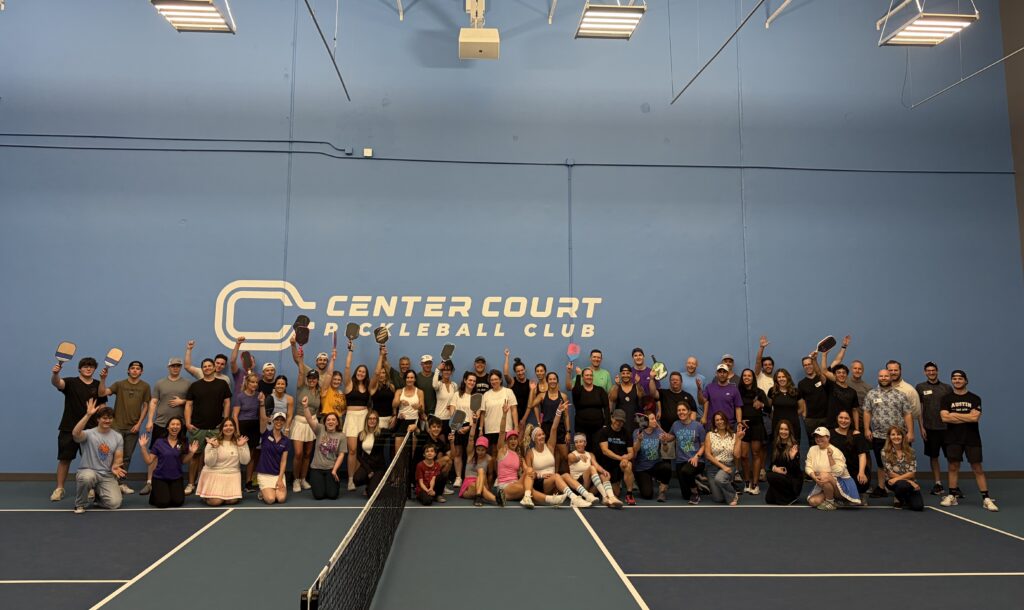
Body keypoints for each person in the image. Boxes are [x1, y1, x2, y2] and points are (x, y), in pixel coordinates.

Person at [50, 356, 108, 502]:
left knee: (92, 461)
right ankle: (59, 489)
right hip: (68, 427)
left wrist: (103, 423)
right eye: (85, 366)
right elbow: (57, 383)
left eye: (91, 366)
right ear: (79, 368)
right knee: (64, 459)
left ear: (94, 369)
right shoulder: (70, 382)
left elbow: (102, 406)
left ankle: (90, 488)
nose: (88, 368)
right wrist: (56, 374)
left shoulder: (97, 385)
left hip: (91, 430)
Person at [939, 370, 998, 512]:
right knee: (953, 466)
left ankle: (986, 498)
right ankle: (952, 496)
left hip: (972, 438)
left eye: (960, 378)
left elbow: (974, 418)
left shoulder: (974, 398)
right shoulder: (946, 399)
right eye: (954, 378)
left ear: (966, 381)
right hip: (953, 438)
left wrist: (954, 415)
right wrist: (965, 416)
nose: (957, 380)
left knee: (977, 468)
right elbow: (945, 418)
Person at [96, 360, 151, 495]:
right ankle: (106, 483)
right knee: (110, 456)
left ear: (141, 372)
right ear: (128, 370)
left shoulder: (145, 386)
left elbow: (146, 406)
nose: (135, 370)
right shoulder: (119, 384)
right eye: (132, 368)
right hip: (116, 427)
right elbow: (102, 393)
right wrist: (103, 379)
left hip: (133, 428)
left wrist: (139, 424)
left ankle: (120, 483)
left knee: (126, 457)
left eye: (138, 368)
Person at [523, 403, 587, 507]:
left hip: (554, 484)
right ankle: (574, 499)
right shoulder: (530, 453)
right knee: (557, 476)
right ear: (534, 438)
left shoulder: (550, 446)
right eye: (539, 435)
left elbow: (554, 428)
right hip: (540, 484)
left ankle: (586, 495)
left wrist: (559, 412)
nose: (542, 436)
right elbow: (529, 474)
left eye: (543, 434)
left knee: (565, 475)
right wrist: (540, 475)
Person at [183, 358, 232, 496]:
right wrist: (187, 422)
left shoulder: (222, 384)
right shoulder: (195, 386)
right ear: (202, 369)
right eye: (205, 366)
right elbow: (188, 405)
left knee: (215, 457)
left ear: (214, 368)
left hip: (216, 428)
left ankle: (209, 483)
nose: (207, 368)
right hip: (197, 427)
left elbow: (227, 402)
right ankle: (191, 484)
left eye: (210, 366)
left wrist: (225, 421)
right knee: (195, 456)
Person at [143, 357, 190, 496]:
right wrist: (150, 421)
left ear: (180, 367)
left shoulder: (187, 384)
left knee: (178, 453)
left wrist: (183, 401)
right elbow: (153, 402)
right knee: (155, 454)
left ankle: (175, 480)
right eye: (173, 366)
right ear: (168, 367)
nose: (175, 368)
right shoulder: (160, 383)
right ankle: (150, 483)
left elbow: (193, 401)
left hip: (179, 426)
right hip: (161, 424)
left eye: (178, 366)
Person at [862, 369, 913, 498]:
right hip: (879, 435)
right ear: (878, 377)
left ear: (891, 377)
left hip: (898, 437)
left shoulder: (901, 395)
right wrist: (867, 429)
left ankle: (899, 491)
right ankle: (881, 488)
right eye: (881, 376)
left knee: (899, 463)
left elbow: (907, 414)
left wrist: (911, 431)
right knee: (881, 463)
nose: (884, 378)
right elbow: (867, 412)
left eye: (886, 376)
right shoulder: (871, 394)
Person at [71, 399, 125, 513]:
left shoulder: (117, 437)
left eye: (110, 418)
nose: (107, 420)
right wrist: (88, 414)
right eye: (104, 418)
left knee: (115, 504)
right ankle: (80, 504)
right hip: (89, 471)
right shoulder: (89, 434)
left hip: (106, 475)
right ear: (98, 419)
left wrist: (115, 466)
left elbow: (119, 456)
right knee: (87, 478)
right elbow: (75, 434)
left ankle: (98, 496)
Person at [138, 417, 198, 508]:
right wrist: (143, 447)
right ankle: (156, 494)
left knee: (178, 502)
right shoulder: (159, 442)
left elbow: (183, 461)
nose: (175, 426)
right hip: (160, 478)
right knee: (163, 503)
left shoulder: (183, 442)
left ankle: (168, 493)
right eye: (172, 424)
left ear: (181, 427)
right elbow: (149, 460)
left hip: (176, 478)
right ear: (168, 427)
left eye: (178, 424)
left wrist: (192, 453)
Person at [917, 362, 953, 496]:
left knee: (951, 458)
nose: (931, 372)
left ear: (937, 371)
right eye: (928, 371)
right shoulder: (920, 387)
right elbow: (919, 410)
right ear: (925, 372)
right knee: (934, 457)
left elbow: (951, 407)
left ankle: (953, 485)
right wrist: (921, 428)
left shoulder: (947, 388)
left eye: (933, 370)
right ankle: (938, 484)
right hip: (930, 429)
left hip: (947, 429)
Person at [196, 418, 250, 506]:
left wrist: (241, 447)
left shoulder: (241, 441)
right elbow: (209, 463)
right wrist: (214, 448)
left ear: (235, 428)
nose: (228, 428)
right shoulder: (213, 441)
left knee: (232, 501)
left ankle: (220, 495)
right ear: (221, 429)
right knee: (216, 502)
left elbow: (245, 461)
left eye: (231, 425)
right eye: (225, 426)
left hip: (232, 475)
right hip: (214, 473)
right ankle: (206, 495)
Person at [805, 427, 861, 510]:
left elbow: (839, 472)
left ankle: (830, 502)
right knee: (813, 501)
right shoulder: (812, 449)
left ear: (828, 437)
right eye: (816, 437)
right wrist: (814, 477)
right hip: (824, 483)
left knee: (824, 475)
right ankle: (834, 500)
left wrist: (830, 456)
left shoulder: (836, 451)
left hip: (843, 485)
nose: (818, 439)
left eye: (821, 437)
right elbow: (808, 466)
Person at [300, 397, 345, 500]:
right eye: (328, 420)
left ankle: (330, 484)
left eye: (333, 420)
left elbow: (341, 454)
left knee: (332, 495)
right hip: (316, 469)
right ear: (324, 423)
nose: (331, 422)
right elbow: (309, 419)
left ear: (337, 423)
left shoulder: (341, 436)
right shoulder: (320, 430)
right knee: (319, 496)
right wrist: (305, 407)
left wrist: (334, 471)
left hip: (331, 469)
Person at [562, 433, 623, 508]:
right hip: (578, 486)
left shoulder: (590, 454)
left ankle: (611, 497)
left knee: (603, 475)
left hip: (589, 487)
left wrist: (604, 471)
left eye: (581, 442)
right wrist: (579, 458)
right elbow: (573, 459)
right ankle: (605, 497)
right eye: (576, 442)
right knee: (591, 468)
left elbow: (596, 466)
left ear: (585, 443)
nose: (578, 444)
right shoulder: (571, 455)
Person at [291, 365, 326, 493]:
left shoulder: (319, 391)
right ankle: (295, 480)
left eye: (314, 378)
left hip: (313, 423)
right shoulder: (301, 387)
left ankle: (303, 479)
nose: (312, 380)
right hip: (300, 422)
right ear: (307, 379)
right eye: (310, 378)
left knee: (307, 454)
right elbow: (300, 371)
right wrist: (299, 357)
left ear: (317, 380)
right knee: (299, 453)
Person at [343, 340, 372, 490]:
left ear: (366, 375)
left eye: (364, 372)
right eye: (359, 371)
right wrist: (350, 351)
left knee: (364, 450)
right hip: (351, 419)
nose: (361, 373)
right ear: (356, 373)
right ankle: (350, 479)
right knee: (353, 450)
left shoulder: (367, 387)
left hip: (364, 417)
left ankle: (363, 476)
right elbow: (347, 367)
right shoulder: (349, 384)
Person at [354, 411, 403, 496]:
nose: (372, 421)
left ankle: (376, 483)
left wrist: (400, 420)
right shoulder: (361, 435)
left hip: (379, 468)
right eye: (370, 418)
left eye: (374, 419)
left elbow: (393, 430)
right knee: (357, 479)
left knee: (371, 494)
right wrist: (368, 470)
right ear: (366, 420)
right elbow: (358, 455)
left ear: (377, 421)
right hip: (367, 467)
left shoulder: (382, 432)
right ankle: (370, 482)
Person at [667, 402, 706, 505]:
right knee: (685, 495)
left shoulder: (698, 426)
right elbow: (671, 437)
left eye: (683, 410)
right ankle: (698, 486)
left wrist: (696, 457)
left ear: (689, 412)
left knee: (686, 471)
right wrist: (665, 438)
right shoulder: (675, 424)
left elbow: (704, 445)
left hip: (696, 460)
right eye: (679, 410)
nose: (681, 412)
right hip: (680, 461)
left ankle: (695, 494)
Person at [596, 409, 637, 505]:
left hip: (620, 464)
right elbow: (605, 451)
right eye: (617, 420)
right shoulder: (604, 431)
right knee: (616, 493)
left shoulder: (626, 433)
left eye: (621, 421)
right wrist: (621, 458)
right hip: (607, 465)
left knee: (628, 465)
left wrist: (626, 458)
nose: (618, 423)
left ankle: (629, 494)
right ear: (612, 418)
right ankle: (608, 485)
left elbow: (631, 452)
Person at [491, 404, 528, 506]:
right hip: (504, 485)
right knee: (525, 489)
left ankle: (549, 499)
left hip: (515, 484)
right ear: (506, 441)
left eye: (515, 439)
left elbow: (527, 472)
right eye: (510, 439)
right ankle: (502, 493)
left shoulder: (519, 456)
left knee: (529, 475)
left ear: (517, 441)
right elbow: (502, 432)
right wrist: (504, 414)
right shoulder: (502, 450)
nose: (513, 441)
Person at [460, 411, 500, 507]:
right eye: (478, 449)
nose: (480, 452)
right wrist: (474, 423)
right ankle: (496, 499)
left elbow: (490, 475)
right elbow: (471, 438)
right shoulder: (471, 455)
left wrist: (489, 487)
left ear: (486, 449)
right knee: (479, 484)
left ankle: (479, 497)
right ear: (475, 448)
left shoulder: (489, 459)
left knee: (481, 471)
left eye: (482, 450)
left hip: (483, 483)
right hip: (468, 487)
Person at [703, 412, 744, 506]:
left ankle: (733, 495)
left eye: (722, 419)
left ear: (726, 421)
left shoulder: (733, 436)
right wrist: (722, 466)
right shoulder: (710, 435)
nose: (720, 422)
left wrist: (739, 439)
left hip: (728, 466)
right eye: (717, 420)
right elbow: (708, 455)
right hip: (712, 468)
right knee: (718, 499)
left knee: (720, 479)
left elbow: (737, 456)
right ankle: (727, 485)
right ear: (714, 422)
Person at [736, 369, 767, 494]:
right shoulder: (738, 392)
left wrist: (762, 404)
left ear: (753, 378)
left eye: (749, 375)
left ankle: (755, 484)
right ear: (742, 377)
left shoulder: (759, 392)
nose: (747, 377)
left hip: (757, 426)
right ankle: (747, 482)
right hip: (744, 427)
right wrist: (740, 420)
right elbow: (735, 408)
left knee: (755, 454)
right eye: (744, 375)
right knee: (743, 456)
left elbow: (769, 408)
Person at [633, 412, 674, 502]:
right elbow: (634, 451)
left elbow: (666, 450)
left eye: (655, 418)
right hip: (642, 468)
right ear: (646, 421)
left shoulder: (658, 432)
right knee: (647, 495)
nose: (655, 421)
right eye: (652, 419)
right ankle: (641, 481)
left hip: (655, 466)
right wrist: (639, 441)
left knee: (667, 467)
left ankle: (662, 491)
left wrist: (665, 443)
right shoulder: (637, 432)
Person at [534, 371, 569, 473]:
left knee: (564, 456)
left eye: (554, 379)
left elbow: (566, 416)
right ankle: (554, 475)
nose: (552, 381)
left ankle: (564, 476)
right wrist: (532, 390)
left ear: (557, 381)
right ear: (547, 381)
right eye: (550, 379)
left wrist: (568, 432)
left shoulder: (563, 396)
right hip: (547, 427)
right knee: (550, 454)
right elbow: (532, 405)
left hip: (561, 428)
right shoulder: (541, 395)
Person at [880, 426, 923, 511]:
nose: (896, 437)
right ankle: (898, 496)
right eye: (893, 434)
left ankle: (905, 497)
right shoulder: (885, 452)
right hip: (893, 481)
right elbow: (890, 473)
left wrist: (910, 481)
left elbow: (912, 473)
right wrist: (910, 481)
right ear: (889, 437)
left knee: (918, 506)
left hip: (910, 482)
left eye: (899, 434)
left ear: (903, 436)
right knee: (902, 485)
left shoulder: (911, 451)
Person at [569, 364, 610, 452]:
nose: (589, 377)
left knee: (597, 450)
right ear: (583, 377)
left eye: (591, 375)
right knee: (582, 451)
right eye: (587, 375)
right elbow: (574, 392)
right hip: (581, 428)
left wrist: (606, 424)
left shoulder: (600, 390)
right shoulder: (578, 390)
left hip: (598, 428)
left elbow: (606, 407)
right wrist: (578, 375)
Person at [232, 373, 262, 493]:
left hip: (254, 426)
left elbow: (260, 413)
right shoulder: (240, 396)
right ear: (247, 383)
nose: (254, 384)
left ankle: (248, 483)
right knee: (239, 456)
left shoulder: (259, 396)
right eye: (252, 382)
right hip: (242, 426)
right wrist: (237, 431)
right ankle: (235, 482)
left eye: (256, 382)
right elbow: (235, 415)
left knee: (251, 456)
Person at [830, 409, 870, 495]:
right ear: (837, 418)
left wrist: (861, 472)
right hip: (837, 471)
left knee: (861, 484)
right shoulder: (830, 434)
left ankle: (858, 495)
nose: (843, 421)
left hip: (854, 470)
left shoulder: (857, 435)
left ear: (851, 420)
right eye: (841, 418)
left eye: (846, 418)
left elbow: (862, 455)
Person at [764, 420, 802, 505]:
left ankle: (791, 496)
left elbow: (796, 470)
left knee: (770, 475)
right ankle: (784, 497)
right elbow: (771, 465)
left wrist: (792, 458)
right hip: (779, 476)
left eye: (786, 429)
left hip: (791, 478)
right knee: (769, 499)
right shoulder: (775, 444)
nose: (783, 432)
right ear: (778, 430)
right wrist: (775, 468)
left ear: (790, 431)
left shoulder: (794, 446)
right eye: (781, 429)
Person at [450, 372, 477, 489]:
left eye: (474, 381)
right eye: (470, 380)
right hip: (457, 426)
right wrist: (458, 426)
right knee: (458, 453)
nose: (472, 382)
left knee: (470, 454)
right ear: (465, 380)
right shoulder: (457, 395)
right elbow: (452, 410)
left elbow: (477, 414)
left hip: (470, 428)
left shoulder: (476, 397)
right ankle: (458, 478)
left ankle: (468, 477)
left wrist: (469, 427)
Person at [256, 411, 290, 504]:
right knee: (271, 500)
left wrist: (280, 479)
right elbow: (263, 419)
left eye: (282, 420)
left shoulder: (286, 440)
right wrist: (262, 404)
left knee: (281, 499)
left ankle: (270, 490)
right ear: (273, 421)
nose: (279, 422)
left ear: (284, 422)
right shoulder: (265, 434)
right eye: (277, 419)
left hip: (278, 475)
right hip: (265, 474)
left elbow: (283, 461)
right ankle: (263, 491)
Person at [481, 369, 517, 454]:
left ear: (500, 380)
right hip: (490, 429)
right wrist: (480, 429)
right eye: (492, 380)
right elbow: (483, 413)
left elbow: (514, 410)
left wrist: (516, 426)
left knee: (505, 453)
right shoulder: (486, 394)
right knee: (493, 454)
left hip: (506, 428)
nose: (494, 381)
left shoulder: (508, 392)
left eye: (496, 379)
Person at [798, 353, 829, 445]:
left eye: (809, 364)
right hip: (811, 420)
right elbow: (802, 400)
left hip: (825, 418)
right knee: (813, 445)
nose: (808, 366)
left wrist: (815, 360)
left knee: (827, 445)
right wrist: (804, 415)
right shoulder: (801, 384)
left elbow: (820, 373)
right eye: (805, 365)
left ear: (813, 365)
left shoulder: (821, 378)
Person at [767, 368, 804, 443]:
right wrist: (774, 417)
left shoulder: (796, 391)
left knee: (794, 449)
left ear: (788, 378)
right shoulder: (772, 391)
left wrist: (792, 415)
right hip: (777, 425)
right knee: (778, 450)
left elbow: (801, 408)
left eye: (783, 377)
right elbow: (768, 408)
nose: (781, 379)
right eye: (779, 377)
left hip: (793, 425)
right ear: (776, 379)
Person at [702, 363, 742, 431]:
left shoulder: (734, 389)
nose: (722, 374)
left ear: (728, 374)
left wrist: (739, 423)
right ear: (716, 374)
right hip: (712, 425)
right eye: (720, 372)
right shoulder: (709, 387)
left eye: (724, 372)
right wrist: (704, 417)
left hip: (729, 425)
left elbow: (738, 407)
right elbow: (704, 402)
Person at [393, 370, 425, 450]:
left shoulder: (420, 392)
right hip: (401, 421)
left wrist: (419, 407)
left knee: (412, 452)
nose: (409, 379)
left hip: (414, 422)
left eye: (412, 377)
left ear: (415, 379)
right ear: (405, 379)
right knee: (398, 452)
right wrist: (400, 401)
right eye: (407, 377)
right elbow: (394, 405)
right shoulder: (399, 391)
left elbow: (422, 411)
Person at [887, 360, 922, 426]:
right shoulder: (880, 389)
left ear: (900, 371)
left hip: (903, 432)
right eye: (890, 370)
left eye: (896, 370)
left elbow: (915, 412)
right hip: (883, 432)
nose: (893, 372)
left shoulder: (909, 390)